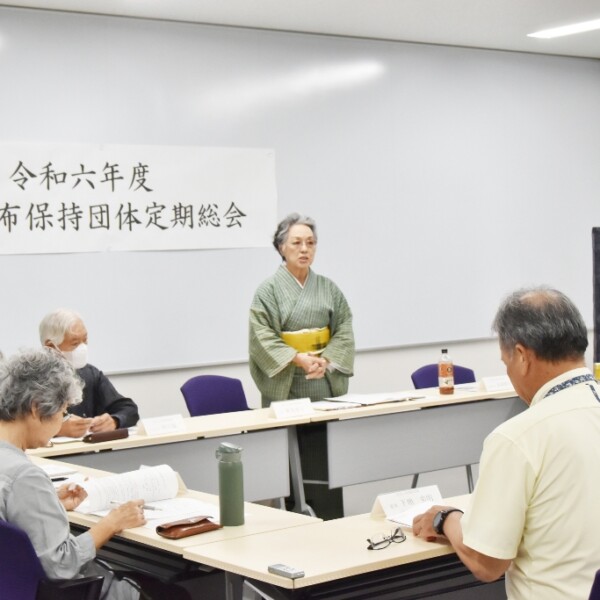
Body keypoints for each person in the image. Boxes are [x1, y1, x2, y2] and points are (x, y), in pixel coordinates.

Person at [412, 287, 600, 600]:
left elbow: (486, 563)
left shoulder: (519, 437)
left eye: (505, 362)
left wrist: (445, 518)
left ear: (522, 357)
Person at [0, 347, 193, 600]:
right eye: (62, 413)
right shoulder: (25, 476)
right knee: (176, 593)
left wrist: (51, 503)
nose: (61, 422)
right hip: (72, 592)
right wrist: (112, 523)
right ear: (36, 409)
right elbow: (61, 565)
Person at [249, 213, 355, 518]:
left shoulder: (328, 288)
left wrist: (326, 360)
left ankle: (330, 521)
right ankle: (293, 521)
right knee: (291, 465)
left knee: (326, 463)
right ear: (281, 247)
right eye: (296, 242)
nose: (304, 249)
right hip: (289, 387)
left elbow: (344, 327)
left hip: (323, 384)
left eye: (310, 242)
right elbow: (262, 336)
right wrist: (297, 358)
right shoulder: (268, 291)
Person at [39, 308, 139, 437]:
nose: (82, 348)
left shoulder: (90, 374)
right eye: (75, 343)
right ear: (51, 347)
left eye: (85, 341)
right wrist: (57, 428)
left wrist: (114, 421)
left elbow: (129, 410)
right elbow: (19, 426)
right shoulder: (31, 380)